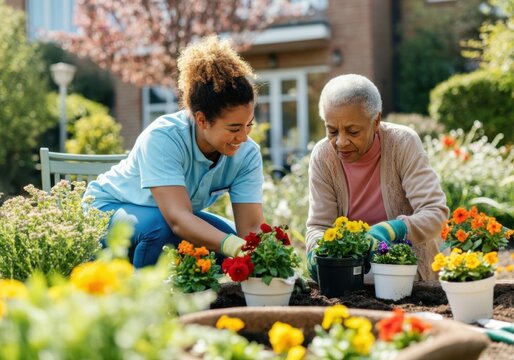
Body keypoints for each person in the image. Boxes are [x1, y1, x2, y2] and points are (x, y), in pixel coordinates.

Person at [84, 36, 264, 268]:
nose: (244, 136)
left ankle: (215, 304)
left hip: (162, 216)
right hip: (107, 211)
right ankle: (145, 301)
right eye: (234, 128)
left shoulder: (247, 154)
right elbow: (178, 220)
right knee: (163, 231)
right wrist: (234, 247)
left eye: (249, 124)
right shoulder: (163, 138)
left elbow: (250, 229)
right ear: (202, 120)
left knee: (228, 240)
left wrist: (265, 256)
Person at [306, 74, 448, 281]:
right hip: (351, 269)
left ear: (376, 121)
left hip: (408, 268)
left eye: (353, 131)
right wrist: (317, 249)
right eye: (332, 131)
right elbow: (319, 225)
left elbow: (435, 213)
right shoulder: (323, 155)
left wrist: (391, 230)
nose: (341, 142)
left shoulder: (402, 143)